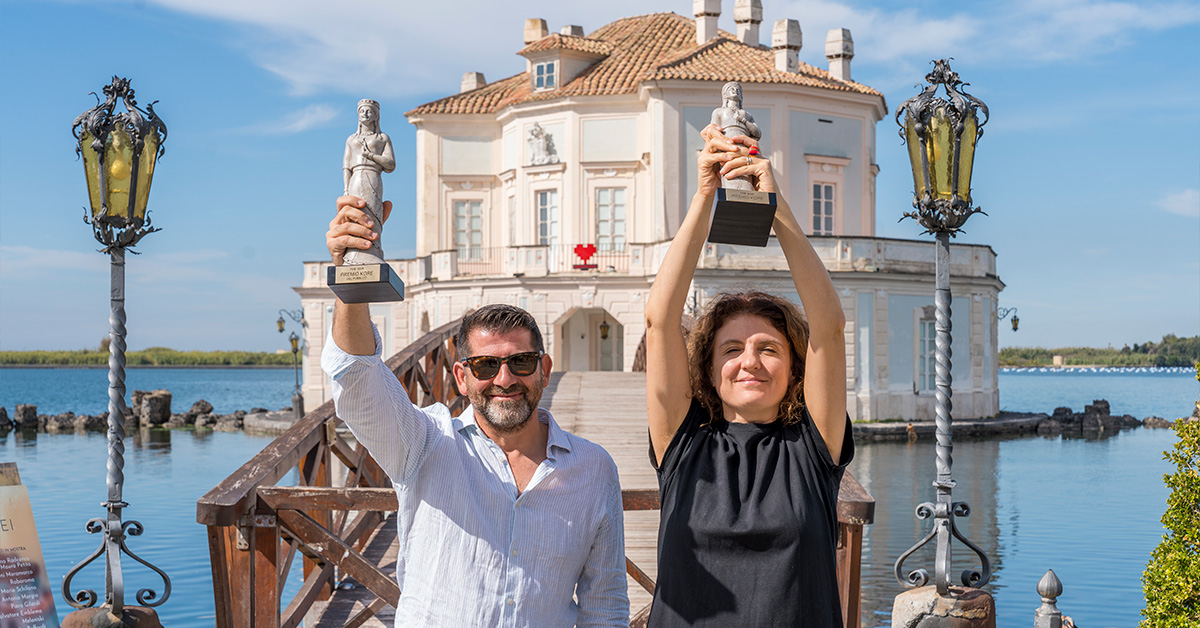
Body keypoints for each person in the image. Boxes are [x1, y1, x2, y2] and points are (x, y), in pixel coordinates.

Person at [322, 195, 629, 627]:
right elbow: (357, 378)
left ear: (544, 370)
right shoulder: (426, 443)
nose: (504, 379)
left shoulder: (594, 468)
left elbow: (606, 603)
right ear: (461, 378)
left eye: (520, 362)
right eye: (486, 365)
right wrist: (354, 275)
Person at [643, 124, 854, 627]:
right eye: (732, 349)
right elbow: (659, 320)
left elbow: (828, 327)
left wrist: (776, 207)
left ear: (795, 368)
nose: (750, 361)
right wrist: (705, 197)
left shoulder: (813, 447)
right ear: (709, 370)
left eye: (769, 349)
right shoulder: (682, 443)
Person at [342, 99, 396, 266]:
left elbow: (391, 165)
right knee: (356, 214)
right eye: (361, 111)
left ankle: (373, 250)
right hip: (355, 178)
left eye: (369, 111)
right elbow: (346, 165)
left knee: (373, 213)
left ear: (376, 115)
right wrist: (345, 187)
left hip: (373, 176)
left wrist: (371, 156)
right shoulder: (351, 139)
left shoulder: (382, 138)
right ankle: (353, 252)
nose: (364, 114)